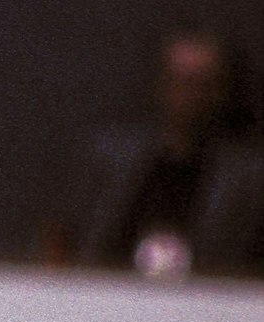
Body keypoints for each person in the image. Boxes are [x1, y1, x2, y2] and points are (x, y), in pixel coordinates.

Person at [51, 27, 264, 278]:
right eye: (180, 81)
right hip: (102, 292)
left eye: (202, 83)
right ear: (161, 83)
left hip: (204, 298)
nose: (190, 95)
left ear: (221, 90)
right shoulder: (108, 159)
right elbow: (61, 236)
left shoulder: (246, 179)